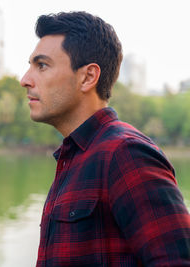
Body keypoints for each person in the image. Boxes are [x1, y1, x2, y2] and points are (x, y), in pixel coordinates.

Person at [20, 11, 190, 266]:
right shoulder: (73, 157)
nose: (25, 80)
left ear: (88, 77)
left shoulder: (125, 154)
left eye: (42, 65)